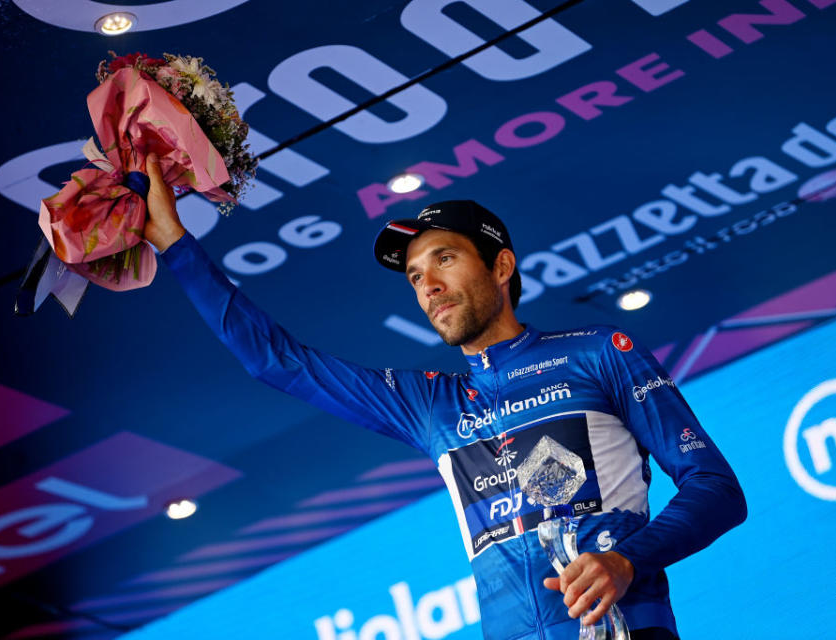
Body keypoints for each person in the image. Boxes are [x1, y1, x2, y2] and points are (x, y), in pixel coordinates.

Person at [142, 154, 746, 640]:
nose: (427, 286)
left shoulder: (599, 352)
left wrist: (627, 560)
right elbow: (274, 360)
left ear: (501, 265)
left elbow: (716, 488)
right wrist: (173, 241)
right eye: (413, 277)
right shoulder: (429, 404)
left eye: (445, 259)